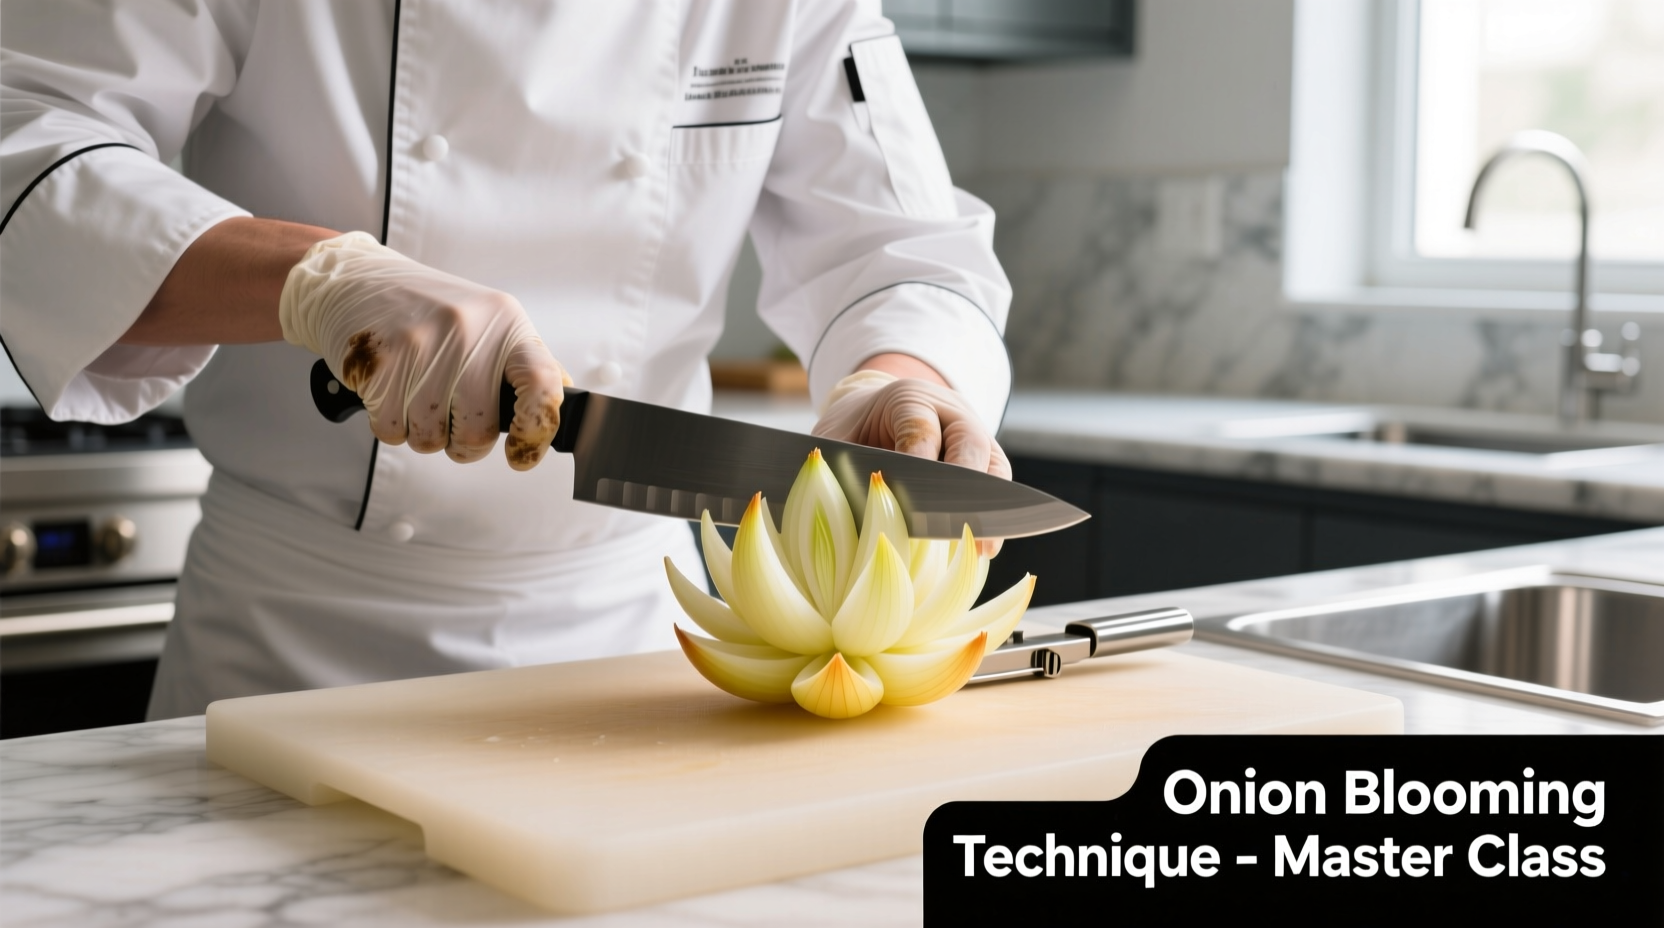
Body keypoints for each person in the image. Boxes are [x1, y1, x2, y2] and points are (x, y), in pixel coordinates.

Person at [0, 1, 1014, 719]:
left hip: (631, 653)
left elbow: (898, 241)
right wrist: (314, 280)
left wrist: (907, 376)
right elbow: (29, 137)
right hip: (291, 652)